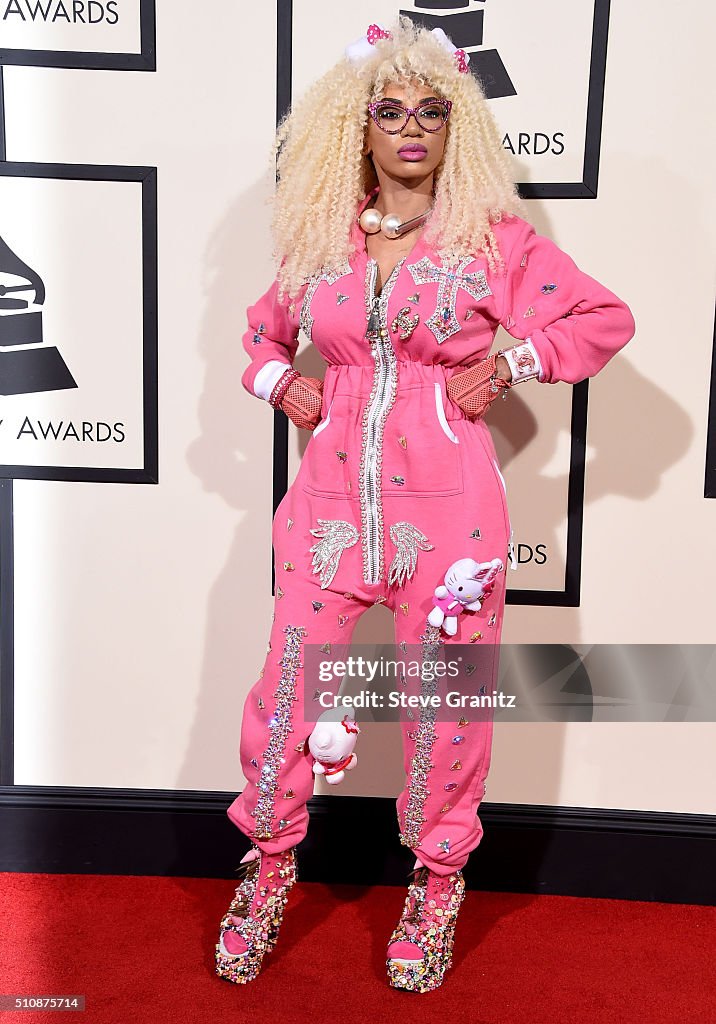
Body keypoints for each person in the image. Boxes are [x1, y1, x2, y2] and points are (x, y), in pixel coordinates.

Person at [215, 16, 636, 993]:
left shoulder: (493, 243)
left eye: (431, 110)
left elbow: (598, 318)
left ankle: (435, 883)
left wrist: (514, 361)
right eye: (387, 110)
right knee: (285, 696)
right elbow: (258, 340)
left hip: (451, 520)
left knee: (447, 706)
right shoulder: (317, 241)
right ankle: (268, 866)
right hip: (325, 510)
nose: (409, 127)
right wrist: (279, 383)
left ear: (458, 128)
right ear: (353, 129)